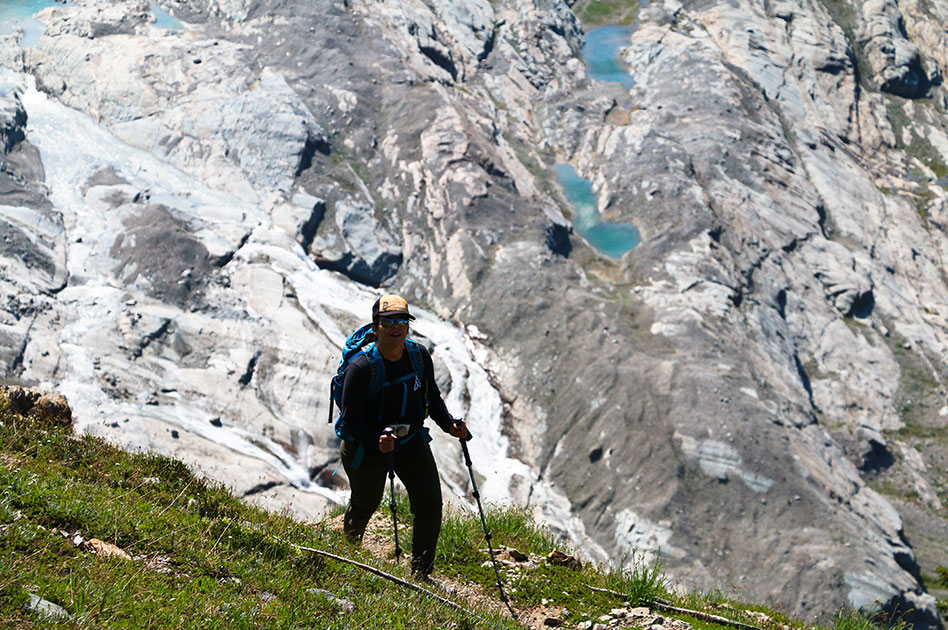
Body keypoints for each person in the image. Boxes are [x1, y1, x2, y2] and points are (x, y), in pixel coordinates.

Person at [337, 294, 470, 579]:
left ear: (408, 326)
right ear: (375, 327)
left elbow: (431, 398)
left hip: (410, 443)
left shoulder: (419, 356)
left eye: (402, 321)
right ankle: (347, 558)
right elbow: (349, 422)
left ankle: (420, 574)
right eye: (388, 322)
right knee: (364, 505)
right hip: (366, 448)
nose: (396, 327)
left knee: (430, 506)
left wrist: (449, 425)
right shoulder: (360, 368)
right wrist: (377, 441)